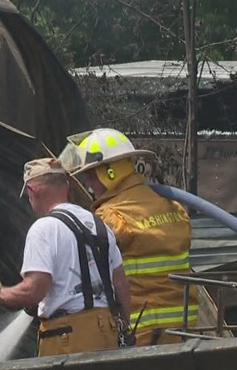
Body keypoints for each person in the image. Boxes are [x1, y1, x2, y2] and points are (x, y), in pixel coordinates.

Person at [0, 157, 132, 370]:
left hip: (67, 340)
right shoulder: (98, 223)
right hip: (106, 333)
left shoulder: (43, 229)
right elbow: (122, 287)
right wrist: (123, 330)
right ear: (66, 185)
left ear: (32, 191)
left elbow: (34, 290)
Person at [61, 129, 199, 346]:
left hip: (140, 334)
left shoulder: (109, 218)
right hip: (186, 330)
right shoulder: (175, 209)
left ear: (110, 173)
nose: (88, 186)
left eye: (90, 176)